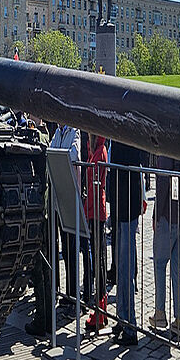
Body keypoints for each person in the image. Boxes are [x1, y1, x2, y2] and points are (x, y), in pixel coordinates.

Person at [149, 154, 180, 341]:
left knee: (160, 265)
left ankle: (160, 313)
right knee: (178, 269)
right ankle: (179, 320)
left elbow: (163, 183)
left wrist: (156, 214)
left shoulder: (167, 149)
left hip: (169, 215)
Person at [109, 138, 147, 345]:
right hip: (120, 208)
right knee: (121, 269)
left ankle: (130, 326)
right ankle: (122, 318)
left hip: (126, 208)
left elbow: (131, 169)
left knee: (125, 269)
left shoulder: (125, 134)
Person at [50, 122, 85, 305]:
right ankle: (66, 293)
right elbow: (49, 151)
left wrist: (57, 157)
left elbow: (74, 154)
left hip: (70, 197)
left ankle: (73, 295)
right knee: (64, 245)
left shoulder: (74, 131)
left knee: (72, 249)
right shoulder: (58, 132)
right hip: (58, 197)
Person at [25, 115, 54, 337]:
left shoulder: (36, 138)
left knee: (39, 268)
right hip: (44, 209)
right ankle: (46, 319)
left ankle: (42, 319)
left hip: (37, 209)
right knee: (45, 267)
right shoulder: (47, 138)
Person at [82, 133, 108, 330]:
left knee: (98, 260)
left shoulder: (99, 151)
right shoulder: (95, 150)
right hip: (93, 209)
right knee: (97, 259)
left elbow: (96, 186)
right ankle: (101, 309)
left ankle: (100, 309)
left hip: (96, 210)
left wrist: (88, 209)